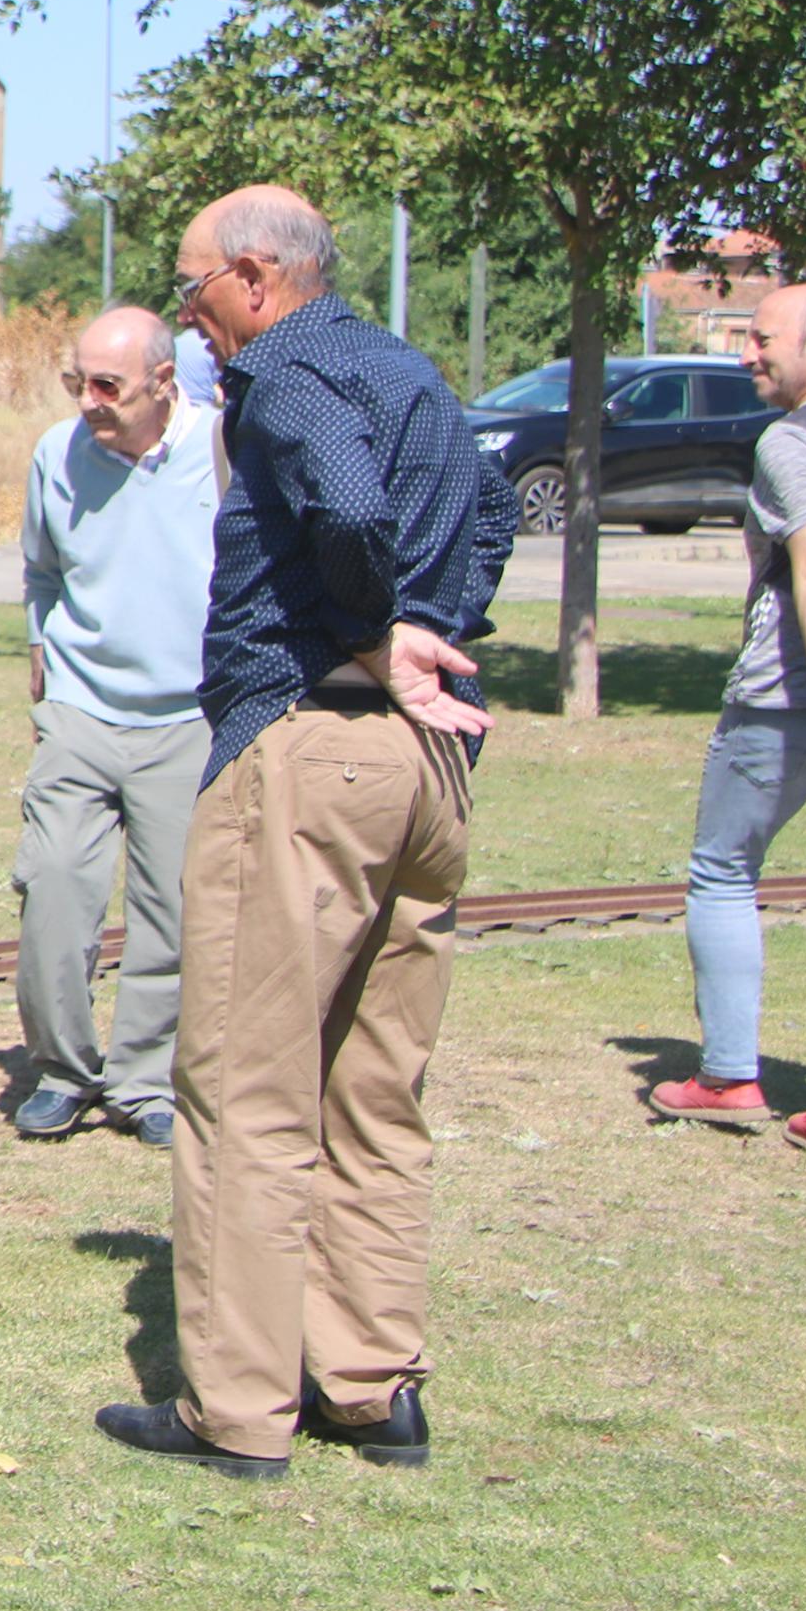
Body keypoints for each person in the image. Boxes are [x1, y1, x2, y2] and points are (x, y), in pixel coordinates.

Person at [96, 185, 513, 1482]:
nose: (186, 312)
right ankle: (369, 1380)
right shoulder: (413, 373)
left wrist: (368, 630)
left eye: (190, 286)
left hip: (308, 747)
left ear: (255, 273)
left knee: (242, 1082)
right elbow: (489, 516)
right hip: (424, 769)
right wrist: (434, 631)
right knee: (373, 1089)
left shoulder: (278, 375)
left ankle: (232, 1408)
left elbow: (340, 508)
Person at [646, 281, 806, 1156]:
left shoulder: (789, 442)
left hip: (790, 703)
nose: (746, 353)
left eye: (761, 338)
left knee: (722, 869)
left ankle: (726, 1075)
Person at [10, 304, 221, 1146]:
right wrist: (39, 651)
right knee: (53, 884)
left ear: (162, 382)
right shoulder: (55, 456)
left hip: (187, 716)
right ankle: (61, 1070)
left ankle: (145, 1083)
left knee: (171, 909)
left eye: (107, 385)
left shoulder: (220, 450)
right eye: (76, 382)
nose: (88, 400)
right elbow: (40, 569)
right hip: (80, 711)